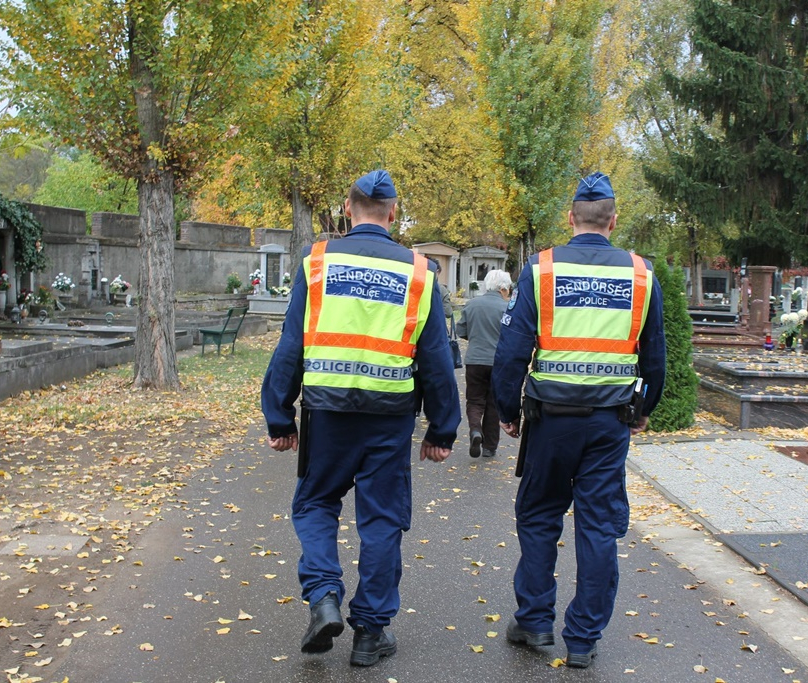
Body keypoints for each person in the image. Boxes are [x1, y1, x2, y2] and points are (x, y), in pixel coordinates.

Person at [261, 170, 460, 667]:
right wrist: (442, 428)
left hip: (327, 414)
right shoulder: (419, 272)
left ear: (347, 209)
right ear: (393, 213)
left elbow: (292, 344)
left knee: (314, 505)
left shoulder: (318, 262)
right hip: (388, 421)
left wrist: (279, 417)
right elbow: (435, 358)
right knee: (381, 521)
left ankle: (324, 595)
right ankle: (370, 634)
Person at [492, 172, 666, 668]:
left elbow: (511, 349)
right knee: (598, 527)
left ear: (571, 219)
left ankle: (535, 622)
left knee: (539, 517)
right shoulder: (639, 273)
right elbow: (655, 356)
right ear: (613, 220)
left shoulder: (541, 269)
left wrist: (507, 410)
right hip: (609, 425)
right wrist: (642, 410)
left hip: (550, 421)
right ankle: (584, 639)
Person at [455, 269, 512, 458]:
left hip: (475, 359)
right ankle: (490, 447)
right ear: (502, 287)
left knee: (474, 400)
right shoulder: (508, 308)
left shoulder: (472, 304)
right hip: (498, 361)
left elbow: (461, 330)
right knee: (493, 403)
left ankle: (475, 430)